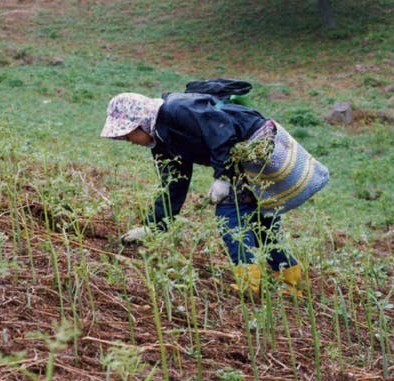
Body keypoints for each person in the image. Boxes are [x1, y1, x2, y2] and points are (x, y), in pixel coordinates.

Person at [100, 92, 304, 296]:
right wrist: (154, 226)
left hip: (255, 146)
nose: (130, 141)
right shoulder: (161, 142)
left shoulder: (175, 110)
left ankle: (249, 285)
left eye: (128, 135)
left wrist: (223, 176)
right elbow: (174, 184)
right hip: (242, 156)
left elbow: (220, 129)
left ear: (140, 122)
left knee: (231, 217)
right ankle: (291, 281)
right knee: (261, 221)